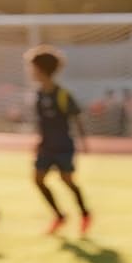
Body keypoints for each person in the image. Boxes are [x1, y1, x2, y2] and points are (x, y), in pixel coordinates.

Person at [25, 46, 92, 235]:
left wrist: (83, 141)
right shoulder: (39, 94)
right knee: (38, 179)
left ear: (41, 69)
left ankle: (85, 214)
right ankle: (59, 216)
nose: (30, 71)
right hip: (46, 146)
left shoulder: (62, 94)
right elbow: (42, 122)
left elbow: (76, 117)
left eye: (32, 67)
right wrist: (39, 141)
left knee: (67, 181)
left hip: (63, 145)